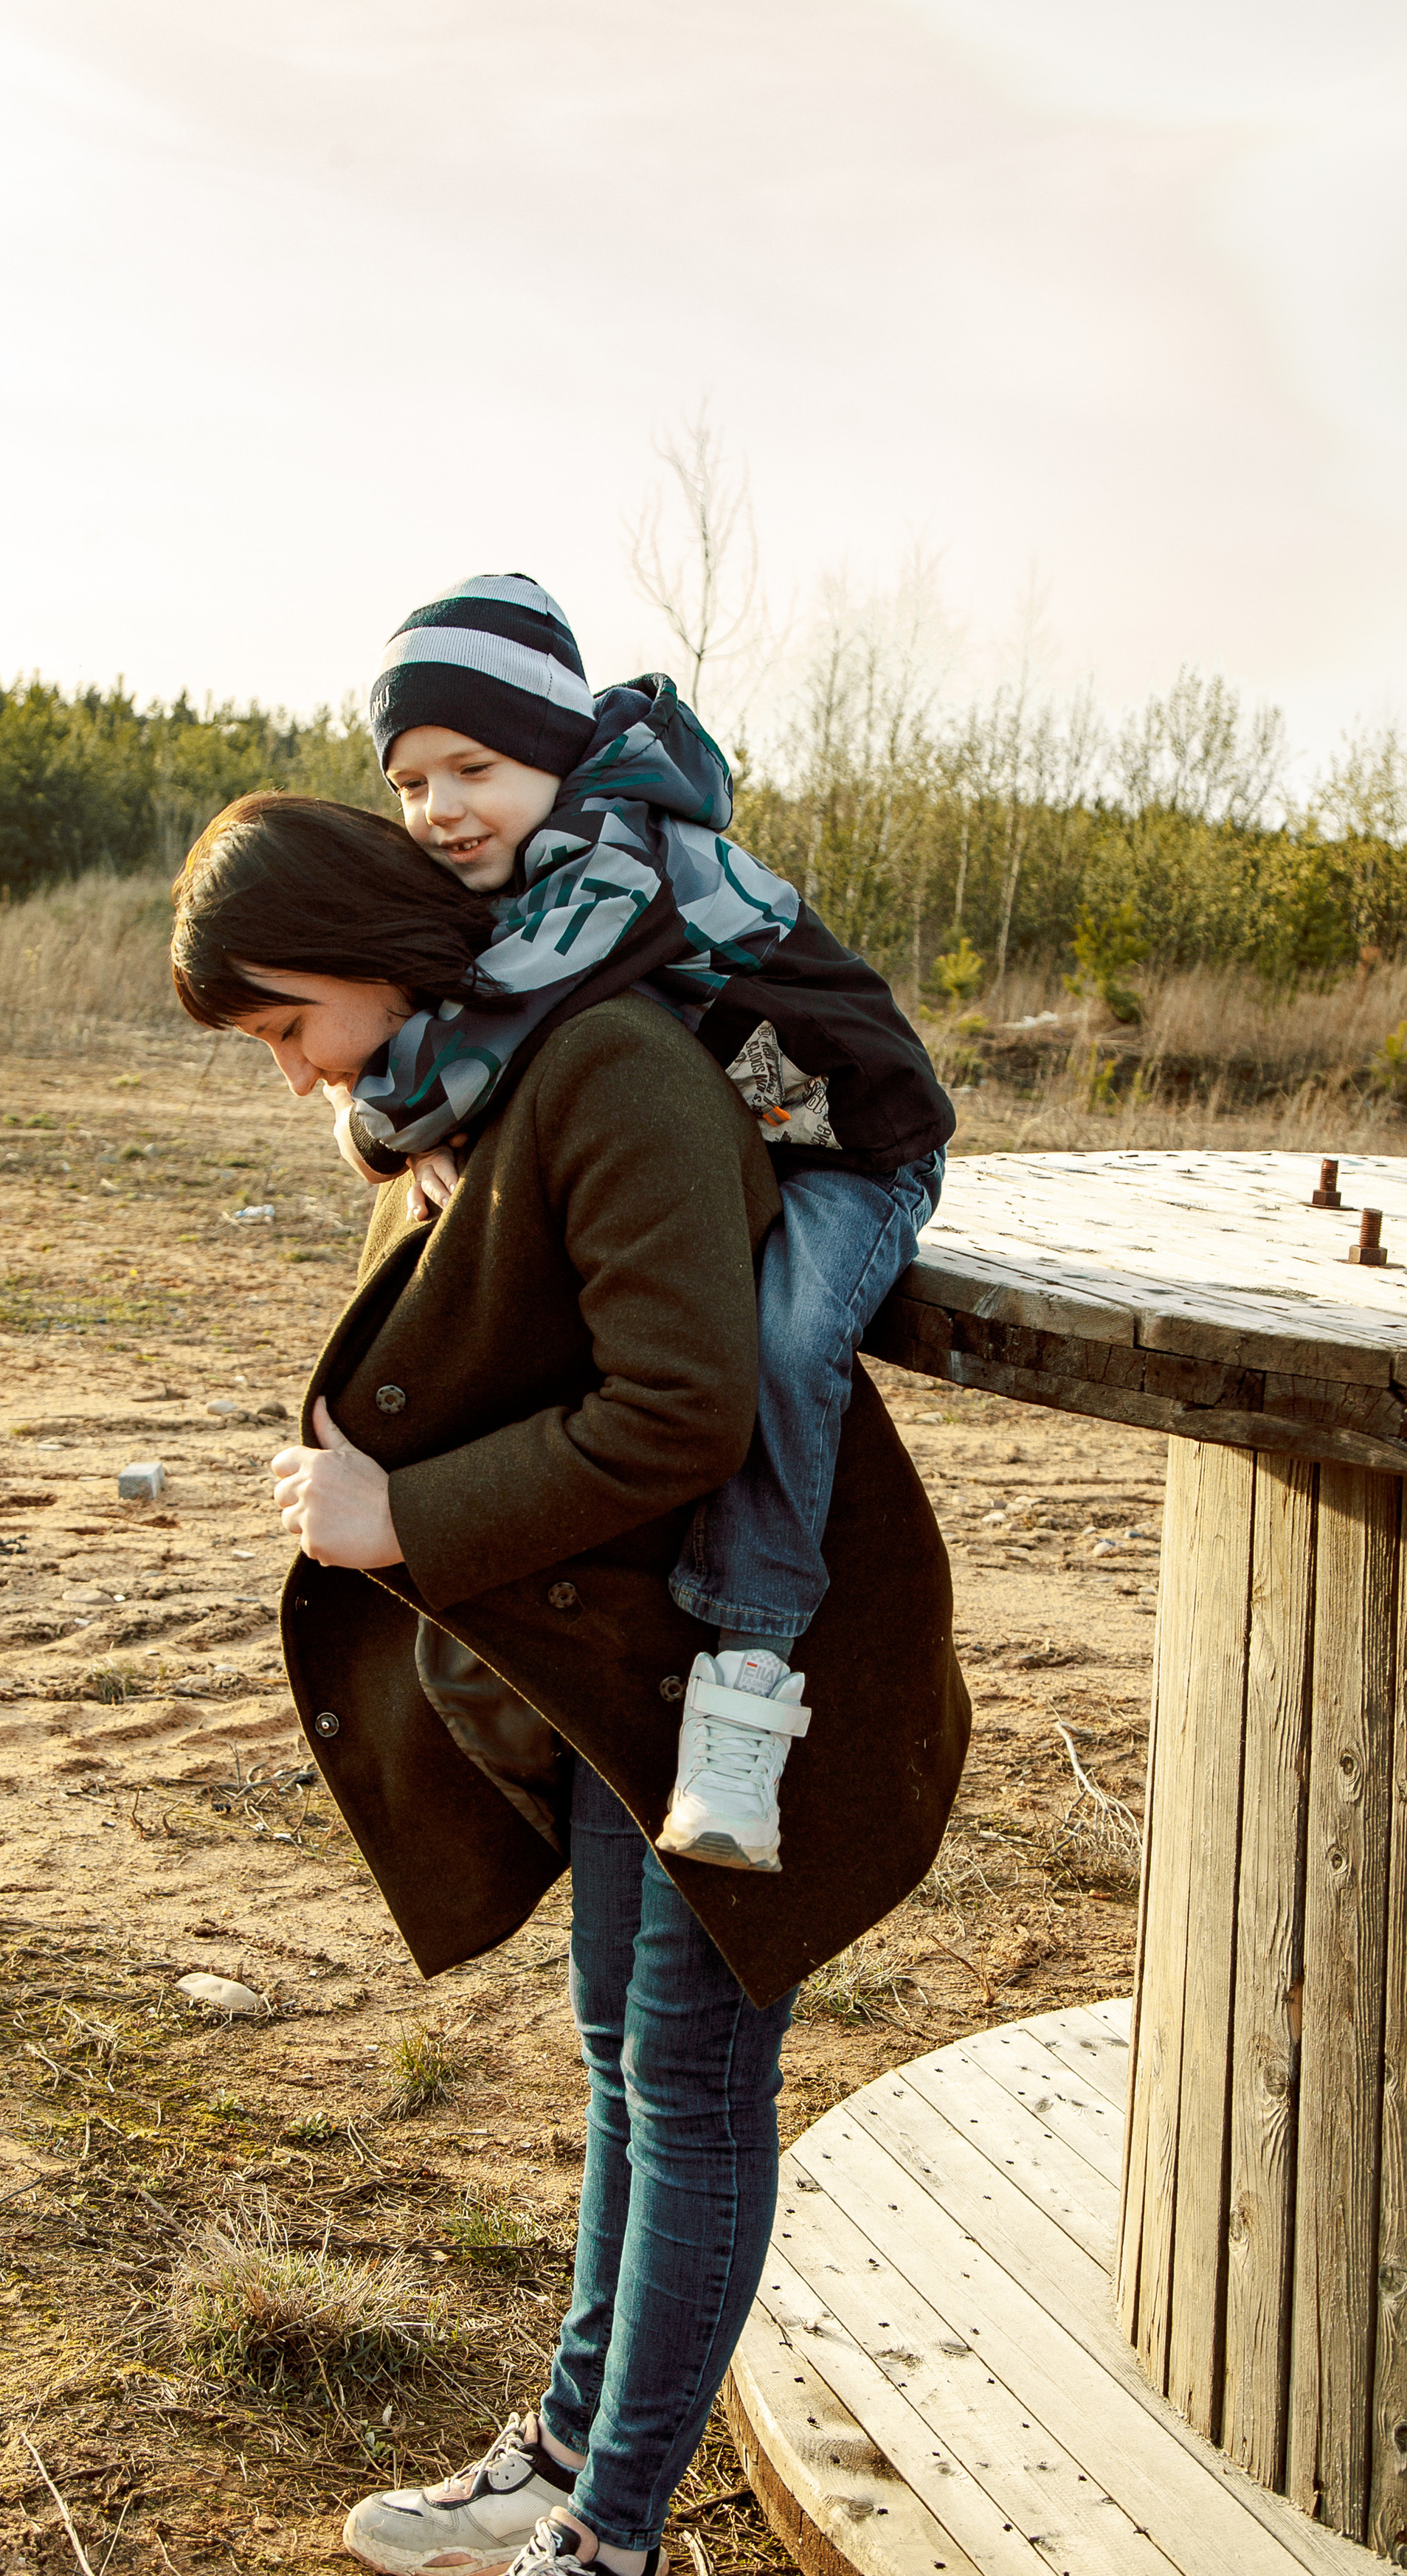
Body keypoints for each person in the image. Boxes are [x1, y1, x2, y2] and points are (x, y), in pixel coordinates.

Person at [169, 793, 969, 2576]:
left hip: (746, 1681)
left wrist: (402, 1517)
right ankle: (566, 2453)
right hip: (632, 1667)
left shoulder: (607, 1067)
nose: (290, 1073)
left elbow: (686, 1410)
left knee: (687, 2082)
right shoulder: (484, 1084)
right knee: (628, 2054)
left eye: (284, 1025)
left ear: (367, 956)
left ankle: (609, 2570)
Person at [345, 573, 956, 1876]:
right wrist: (380, 1104)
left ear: (555, 753)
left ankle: (747, 1678)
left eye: (473, 768)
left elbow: (504, 1015)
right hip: (744, 1144)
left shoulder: (615, 858)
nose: (441, 808)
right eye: (409, 782)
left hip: (854, 1150)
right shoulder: (516, 861)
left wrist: (385, 1114)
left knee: (783, 1347)